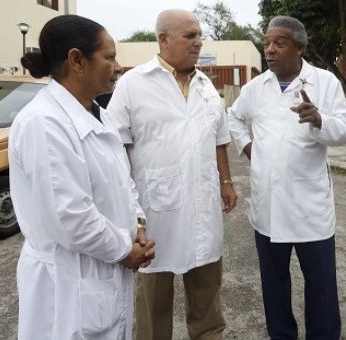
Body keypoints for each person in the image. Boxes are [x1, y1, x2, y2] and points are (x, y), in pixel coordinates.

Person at [10, 15, 155, 340]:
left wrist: (138, 225)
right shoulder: (44, 123)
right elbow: (70, 217)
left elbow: (122, 180)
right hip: (68, 283)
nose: (118, 66)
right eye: (109, 57)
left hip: (101, 272)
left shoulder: (98, 114)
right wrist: (125, 249)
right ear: (77, 60)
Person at [106, 9, 237, 340]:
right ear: (163, 39)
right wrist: (127, 211)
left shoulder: (206, 85)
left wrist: (226, 181)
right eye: (189, 35)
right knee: (153, 306)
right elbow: (115, 148)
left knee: (208, 301)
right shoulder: (133, 85)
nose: (198, 42)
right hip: (153, 216)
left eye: (199, 35)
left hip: (203, 211)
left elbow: (219, 139)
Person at [228, 16, 346, 340]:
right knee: (274, 284)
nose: (269, 50)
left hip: (309, 209)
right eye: (266, 43)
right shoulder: (256, 87)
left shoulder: (324, 83)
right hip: (268, 206)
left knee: (321, 284)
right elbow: (234, 119)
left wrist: (319, 120)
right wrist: (249, 149)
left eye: (279, 43)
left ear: (299, 48)